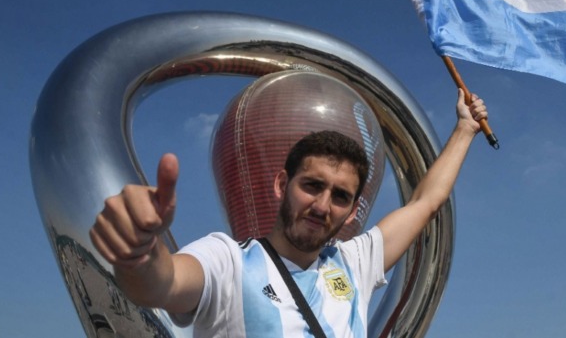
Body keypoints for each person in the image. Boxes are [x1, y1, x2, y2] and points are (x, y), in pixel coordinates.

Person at [90, 89, 487, 337]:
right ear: (282, 185)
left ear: (352, 211)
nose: (321, 206)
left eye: (340, 196)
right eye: (311, 186)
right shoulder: (229, 259)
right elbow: (164, 283)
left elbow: (425, 202)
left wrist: (465, 129)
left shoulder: (354, 264)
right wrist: (140, 254)